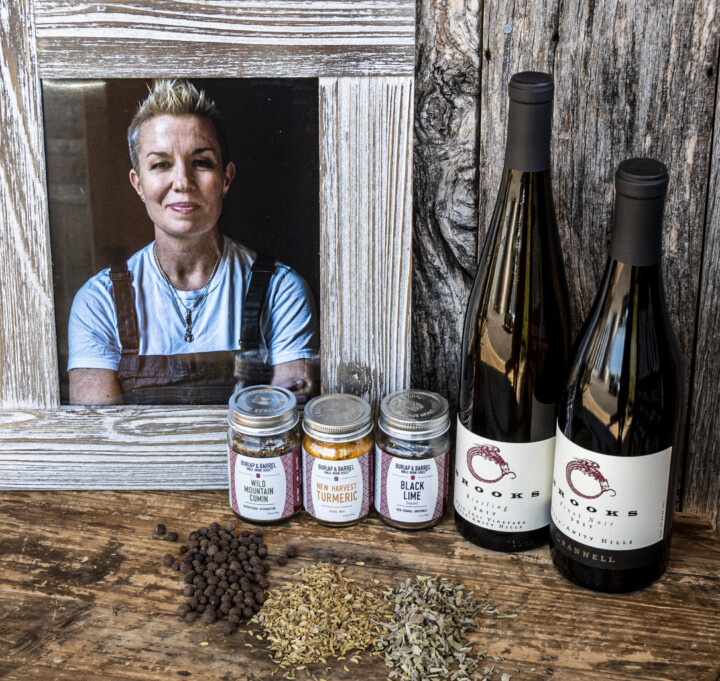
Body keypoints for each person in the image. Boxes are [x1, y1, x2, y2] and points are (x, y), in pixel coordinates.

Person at [68, 80, 319, 405]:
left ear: (226, 178)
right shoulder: (98, 304)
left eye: (201, 162)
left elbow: (284, 430)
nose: (183, 182)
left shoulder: (280, 292)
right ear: (138, 183)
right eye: (161, 165)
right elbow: (99, 442)